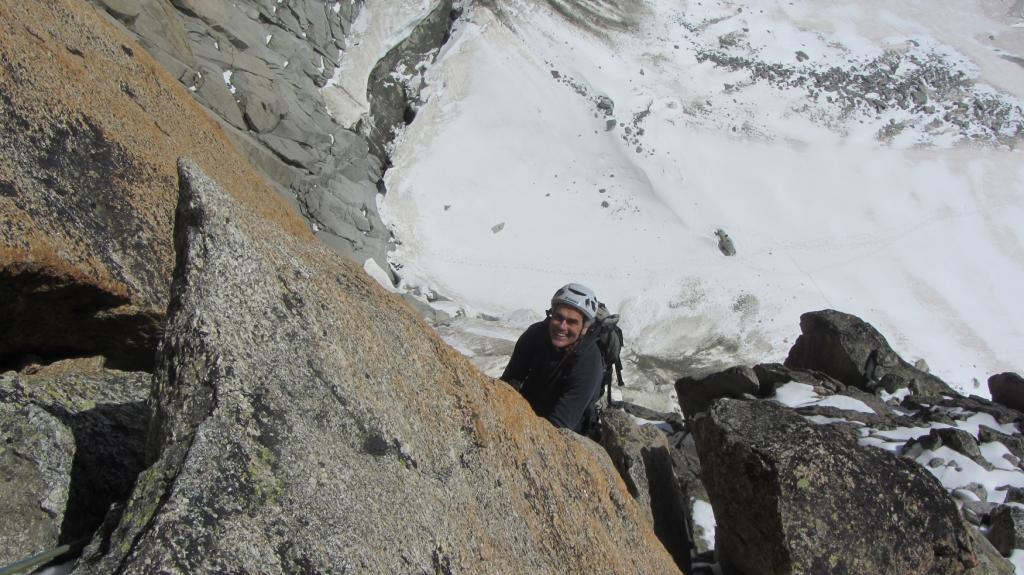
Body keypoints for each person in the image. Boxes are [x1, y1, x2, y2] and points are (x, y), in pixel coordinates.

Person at [500, 283, 604, 434]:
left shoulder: (589, 360)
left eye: (572, 322)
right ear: (551, 314)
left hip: (567, 434)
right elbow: (509, 382)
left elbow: (562, 423)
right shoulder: (535, 335)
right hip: (527, 415)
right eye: (558, 317)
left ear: (584, 328)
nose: (562, 326)